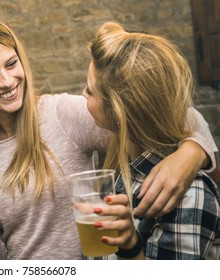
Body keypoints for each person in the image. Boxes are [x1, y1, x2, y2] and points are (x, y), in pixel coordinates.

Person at [0, 14, 218, 259]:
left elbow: (163, 114)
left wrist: (190, 153)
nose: (7, 81)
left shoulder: (61, 115)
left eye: (11, 64)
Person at [83, 22, 220, 259]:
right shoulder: (124, 168)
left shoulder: (189, 195)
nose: (82, 95)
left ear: (119, 113)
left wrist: (131, 248)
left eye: (89, 90)